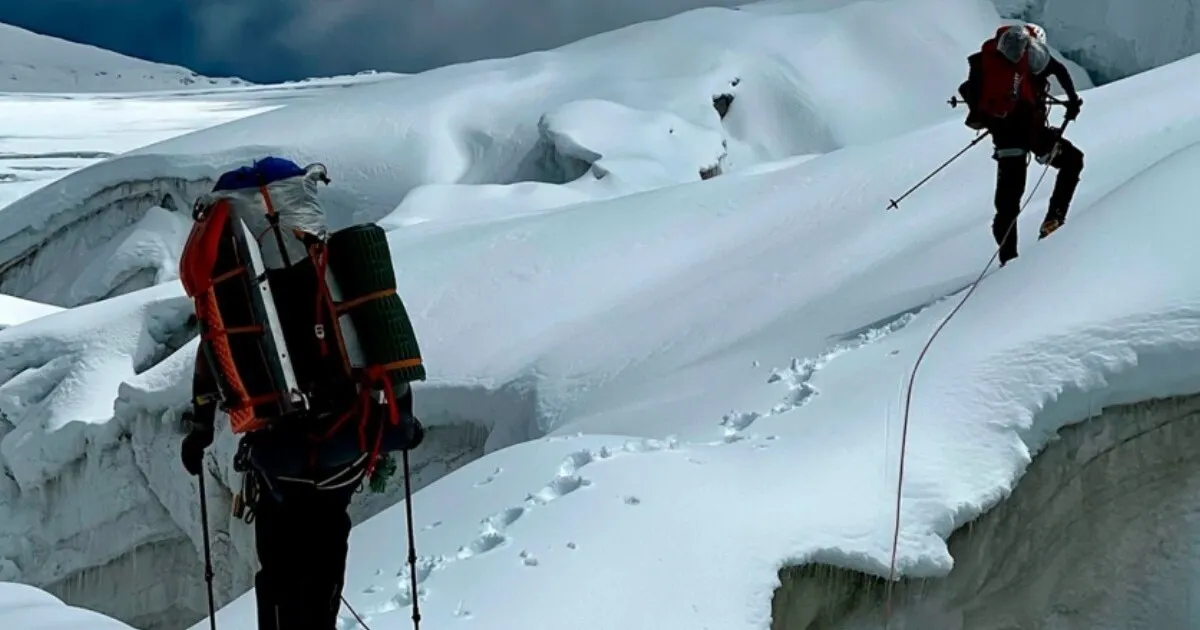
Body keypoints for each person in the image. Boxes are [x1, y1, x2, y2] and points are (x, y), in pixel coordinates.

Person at [177, 157, 426, 630]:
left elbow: (214, 350)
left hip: (279, 457)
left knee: (280, 564)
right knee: (326, 551)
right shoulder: (336, 270)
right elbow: (383, 343)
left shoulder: (236, 293)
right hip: (343, 449)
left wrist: (199, 429)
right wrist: (404, 423)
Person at [958, 23, 1085, 266]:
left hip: (1005, 138)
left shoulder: (987, 60)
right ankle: (1054, 218)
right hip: (1034, 135)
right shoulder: (1031, 54)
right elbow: (1059, 70)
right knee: (1072, 161)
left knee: (1008, 202)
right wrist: (1072, 101)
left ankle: (1009, 259)